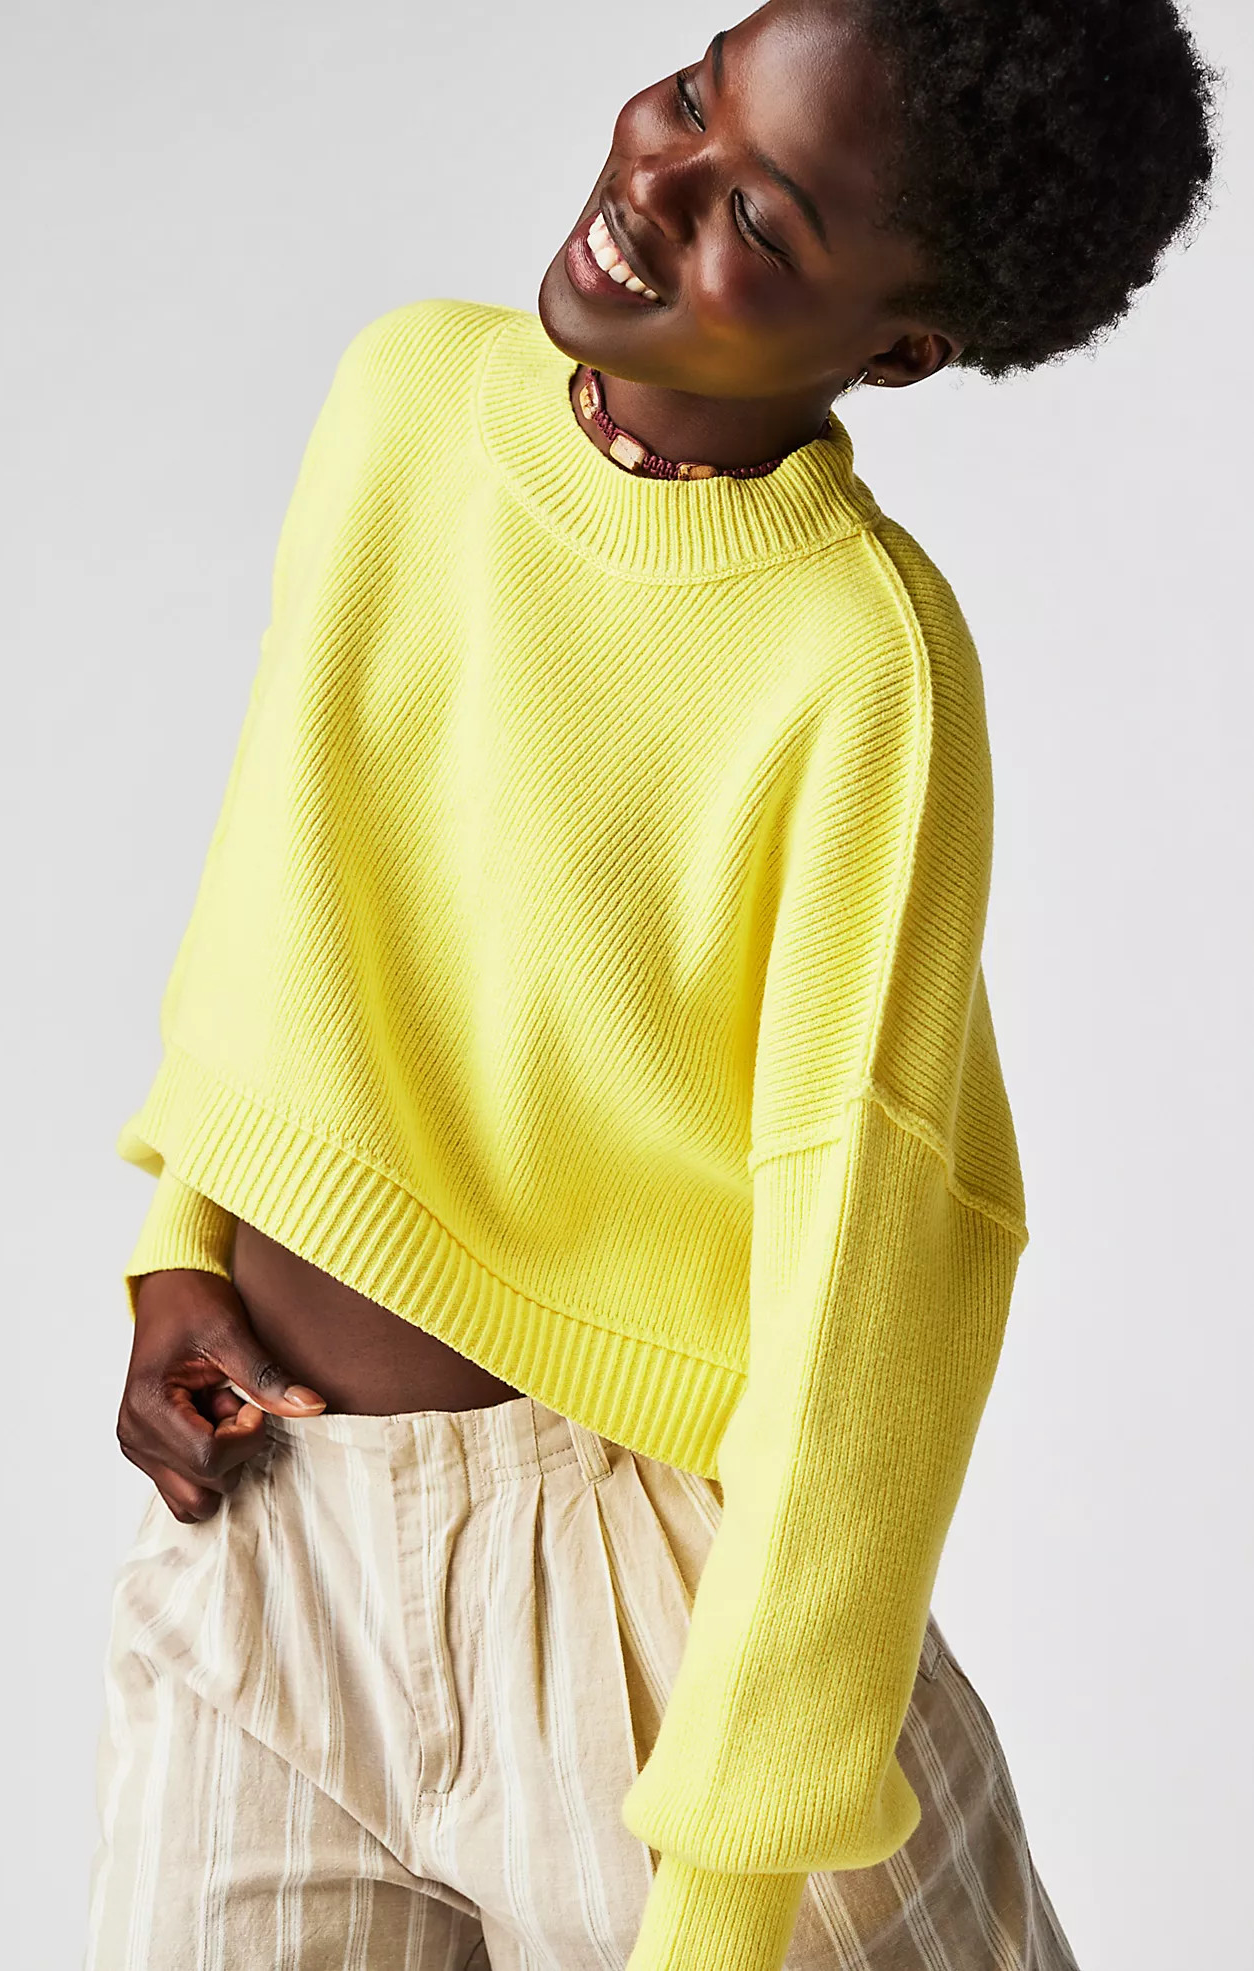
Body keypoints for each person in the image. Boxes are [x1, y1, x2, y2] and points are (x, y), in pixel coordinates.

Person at [85, 2, 1220, 1967]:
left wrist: (725, 1892)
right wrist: (181, 1240)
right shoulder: (403, 399)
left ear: (899, 348)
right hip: (265, 1538)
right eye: (695, 93)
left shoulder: (860, 669)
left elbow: (873, 1293)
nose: (658, 178)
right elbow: (293, 869)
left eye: (761, 219)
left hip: (646, 1606)